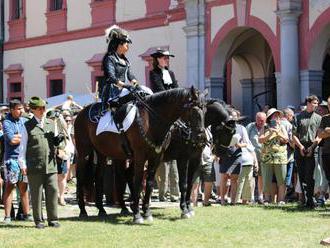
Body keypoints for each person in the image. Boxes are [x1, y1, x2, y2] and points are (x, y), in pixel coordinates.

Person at [18, 96, 62, 229]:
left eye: (44, 107)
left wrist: (58, 142)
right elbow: (22, 147)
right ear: (33, 110)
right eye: (40, 108)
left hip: (50, 164)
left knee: (53, 191)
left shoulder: (50, 123)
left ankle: (53, 219)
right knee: (36, 194)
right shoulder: (27, 126)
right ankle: (39, 220)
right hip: (34, 165)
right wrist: (23, 165)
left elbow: (59, 142)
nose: (43, 110)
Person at [150, 48, 180, 202]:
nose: (167, 60)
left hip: (173, 103)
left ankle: (175, 193)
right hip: (161, 105)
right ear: (158, 59)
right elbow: (159, 90)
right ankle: (163, 193)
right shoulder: (154, 73)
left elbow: (175, 86)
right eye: (165, 58)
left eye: (168, 58)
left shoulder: (171, 73)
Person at [2, 100, 31, 224]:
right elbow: (12, 140)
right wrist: (22, 136)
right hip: (11, 160)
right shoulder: (6, 122)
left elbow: (29, 137)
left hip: (23, 160)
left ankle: (26, 214)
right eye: (19, 109)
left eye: (22, 108)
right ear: (12, 109)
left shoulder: (24, 121)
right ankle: (8, 217)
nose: (22, 111)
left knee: (24, 188)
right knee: (10, 187)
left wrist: (19, 136)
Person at [293, 95, 321, 208]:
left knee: (310, 175)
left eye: (317, 103)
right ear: (308, 103)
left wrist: (312, 147)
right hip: (300, 146)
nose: (316, 105)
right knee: (302, 175)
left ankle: (311, 199)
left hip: (312, 147)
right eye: (314, 103)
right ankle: (305, 200)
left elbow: (319, 136)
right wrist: (300, 147)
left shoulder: (319, 118)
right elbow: (294, 135)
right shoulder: (298, 117)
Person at [101, 25, 138, 104]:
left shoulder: (125, 60)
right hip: (111, 93)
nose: (128, 46)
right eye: (126, 43)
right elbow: (112, 78)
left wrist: (135, 82)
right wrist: (125, 86)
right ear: (119, 45)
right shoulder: (110, 58)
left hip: (122, 90)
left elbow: (130, 75)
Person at [259, 108, 288, 204]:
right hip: (267, 157)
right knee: (267, 179)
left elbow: (286, 139)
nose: (276, 118)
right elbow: (260, 140)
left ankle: (281, 200)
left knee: (281, 179)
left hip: (280, 157)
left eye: (277, 116)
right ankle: (267, 199)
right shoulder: (265, 127)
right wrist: (270, 133)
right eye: (274, 116)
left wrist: (278, 133)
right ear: (269, 117)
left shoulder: (282, 127)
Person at [246, 112, 266, 203]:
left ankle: (260, 196)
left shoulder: (267, 127)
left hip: (263, 155)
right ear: (256, 119)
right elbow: (246, 139)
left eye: (262, 120)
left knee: (261, 176)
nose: (261, 122)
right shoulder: (250, 127)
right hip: (251, 156)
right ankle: (251, 196)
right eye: (259, 120)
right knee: (251, 176)